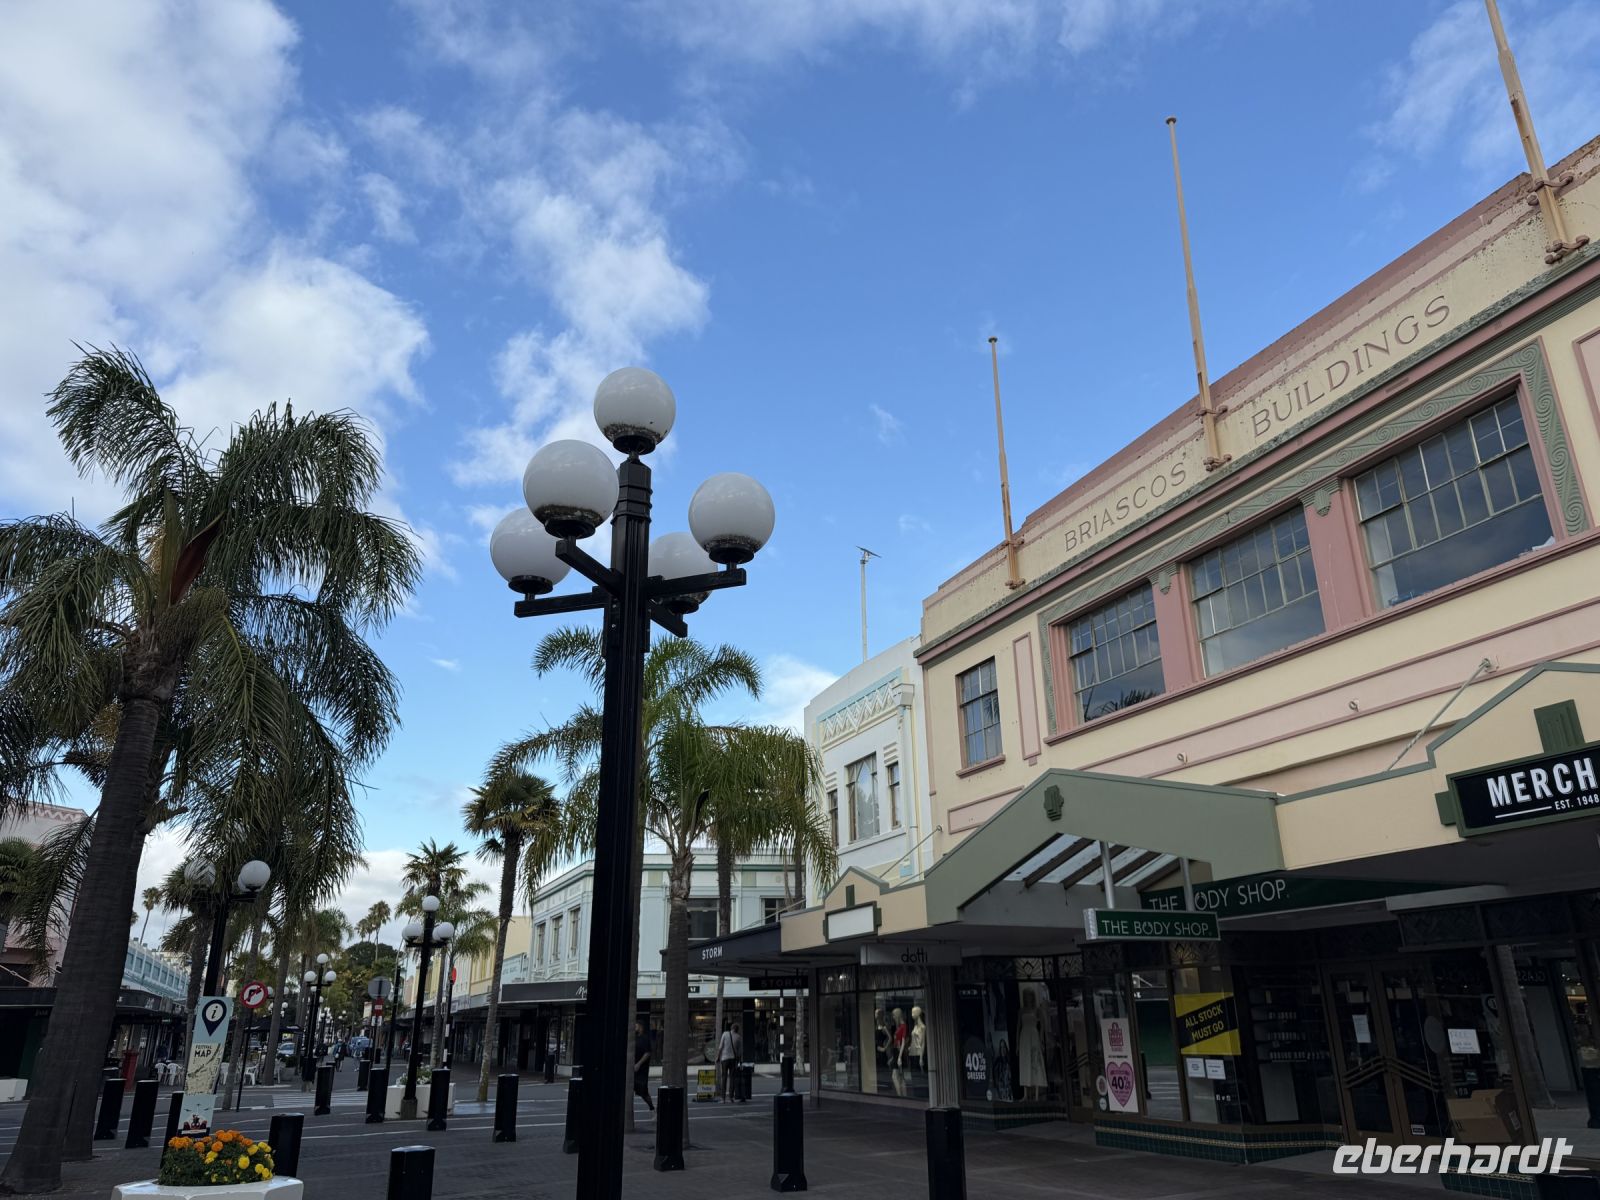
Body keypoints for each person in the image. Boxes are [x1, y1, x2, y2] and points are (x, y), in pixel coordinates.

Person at [633, 1021, 654, 1111]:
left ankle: (652, 1109)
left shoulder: (645, 1038)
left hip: (641, 1070)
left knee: (643, 1092)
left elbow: (647, 1053)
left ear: (641, 1027)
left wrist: (638, 1064)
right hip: (633, 1069)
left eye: (636, 1025)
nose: (634, 1027)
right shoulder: (635, 1038)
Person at [717, 1020, 740, 1101]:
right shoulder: (738, 1037)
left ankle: (723, 1098)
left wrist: (717, 1057)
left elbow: (720, 1047)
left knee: (724, 1078)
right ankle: (731, 1097)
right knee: (732, 1078)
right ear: (737, 1029)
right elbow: (738, 1051)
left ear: (732, 1028)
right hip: (733, 1059)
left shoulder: (725, 1034)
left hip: (724, 1059)